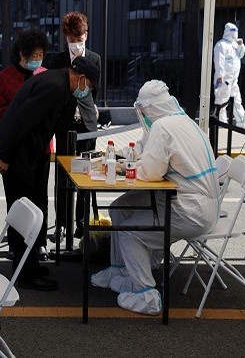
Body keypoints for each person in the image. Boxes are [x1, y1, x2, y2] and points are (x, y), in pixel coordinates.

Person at [91, 80, 218, 315]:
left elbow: (151, 172)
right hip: (192, 202)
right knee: (120, 207)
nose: (144, 115)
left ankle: (145, 294)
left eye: (145, 110)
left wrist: (124, 169)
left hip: (188, 209)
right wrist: (133, 159)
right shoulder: (182, 122)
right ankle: (120, 269)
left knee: (130, 232)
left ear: (151, 109)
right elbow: (147, 151)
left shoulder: (164, 127)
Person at [0, 58, 100, 291]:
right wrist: (6, 156)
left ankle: (29, 266)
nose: (88, 91)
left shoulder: (60, 84)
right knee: (22, 214)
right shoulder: (54, 87)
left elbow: (57, 125)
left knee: (28, 209)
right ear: (81, 78)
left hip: (25, 152)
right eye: (89, 86)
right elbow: (22, 119)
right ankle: (26, 274)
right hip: (16, 153)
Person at [0, 29, 52, 261]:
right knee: (16, 198)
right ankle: (18, 245)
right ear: (22, 55)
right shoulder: (6, 77)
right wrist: (19, 115)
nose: (37, 58)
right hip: (14, 148)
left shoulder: (45, 75)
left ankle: (40, 243)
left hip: (42, 148)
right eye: (33, 54)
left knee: (40, 196)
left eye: (40, 54)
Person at [47, 11, 101, 240]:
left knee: (86, 175)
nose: (75, 44)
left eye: (79, 39)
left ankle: (81, 223)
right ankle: (61, 224)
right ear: (65, 38)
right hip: (65, 124)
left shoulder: (94, 58)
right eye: (71, 39)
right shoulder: (57, 60)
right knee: (63, 175)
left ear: (86, 36)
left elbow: (95, 91)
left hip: (87, 124)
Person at [213, 22, 245, 127]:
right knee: (222, 100)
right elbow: (219, 61)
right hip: (224, 79)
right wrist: (220, 75)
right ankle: (221, 122)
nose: (234, 35)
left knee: (237, 100)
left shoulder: (235, 45)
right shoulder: (221, 45)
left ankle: (242, 121)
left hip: (234, 80)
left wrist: (241, 46)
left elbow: (240, 55)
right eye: (233, 33)